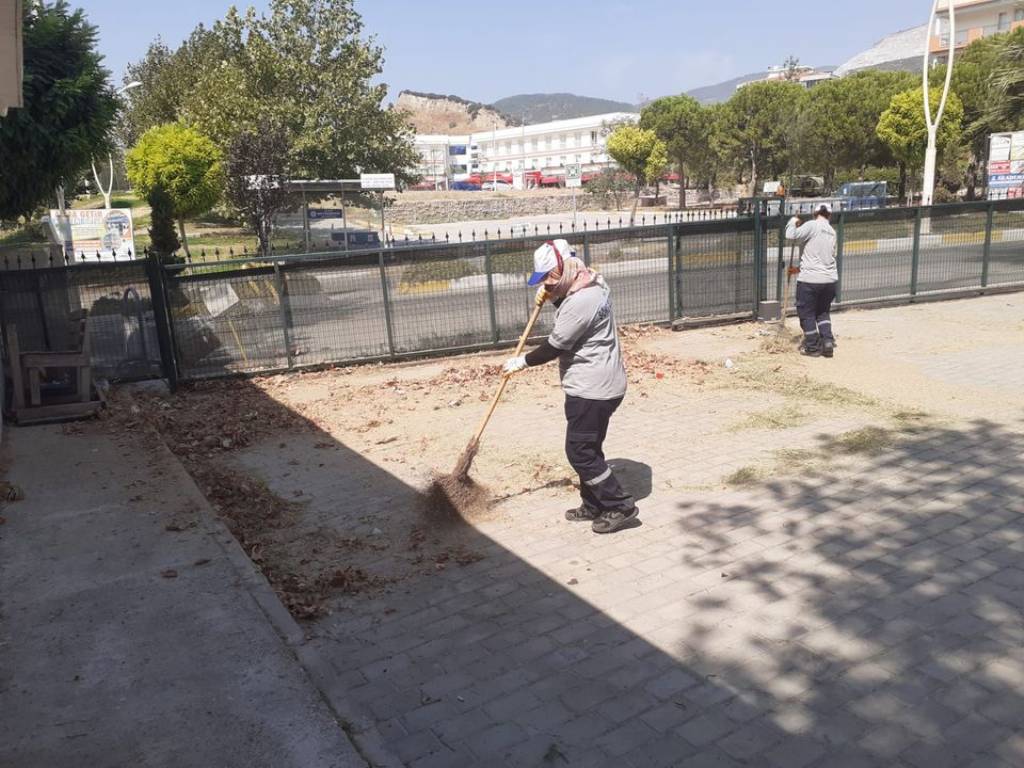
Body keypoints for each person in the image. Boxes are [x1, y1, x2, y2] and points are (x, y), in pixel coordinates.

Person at [502, 239, 638, 534]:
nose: (548, 284)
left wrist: (522, 362)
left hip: (592, 389)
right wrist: (554, 296)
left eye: (550, 278)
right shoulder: (594, 281)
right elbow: (573, 306)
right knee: (590, 448)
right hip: (602, 382)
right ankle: (593, 504)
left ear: (565, 268)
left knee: (579, 452)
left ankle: (620, 506)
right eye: (544, 281)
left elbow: (554, 347)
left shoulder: (579, 303)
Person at [785, 203, 839, 357]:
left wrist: (792, 222)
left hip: (810, 281)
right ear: (829, 215)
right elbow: (823, 259)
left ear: (814, 213)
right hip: (829, 281)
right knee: (822, 312)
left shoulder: (812, 225)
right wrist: (798, 269)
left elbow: (791, 235)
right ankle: (827, 341)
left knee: (806, 313)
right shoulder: (832, 232)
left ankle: (812, 347)